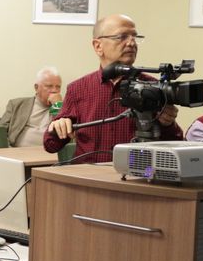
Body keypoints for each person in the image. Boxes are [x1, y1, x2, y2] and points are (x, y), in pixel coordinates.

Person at [45, 14, 181, 163]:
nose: (131, 43)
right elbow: (51, 145)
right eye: (122, 37)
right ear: (98, 46)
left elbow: (178, 144)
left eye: (134, 37)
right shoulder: (78, 89)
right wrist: (58, 126)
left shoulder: (154, 87)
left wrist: (168, 124)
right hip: (88, 178)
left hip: (139, 177)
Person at [0, 67, 63, 147]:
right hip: (17, 153)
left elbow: (64, 133)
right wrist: (10, 151)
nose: (54, 90)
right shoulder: (16, 105)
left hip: (50, 155)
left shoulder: (61, 107)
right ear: (36, 87)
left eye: (58, 87)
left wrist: (57, 105)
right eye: (49, 86)